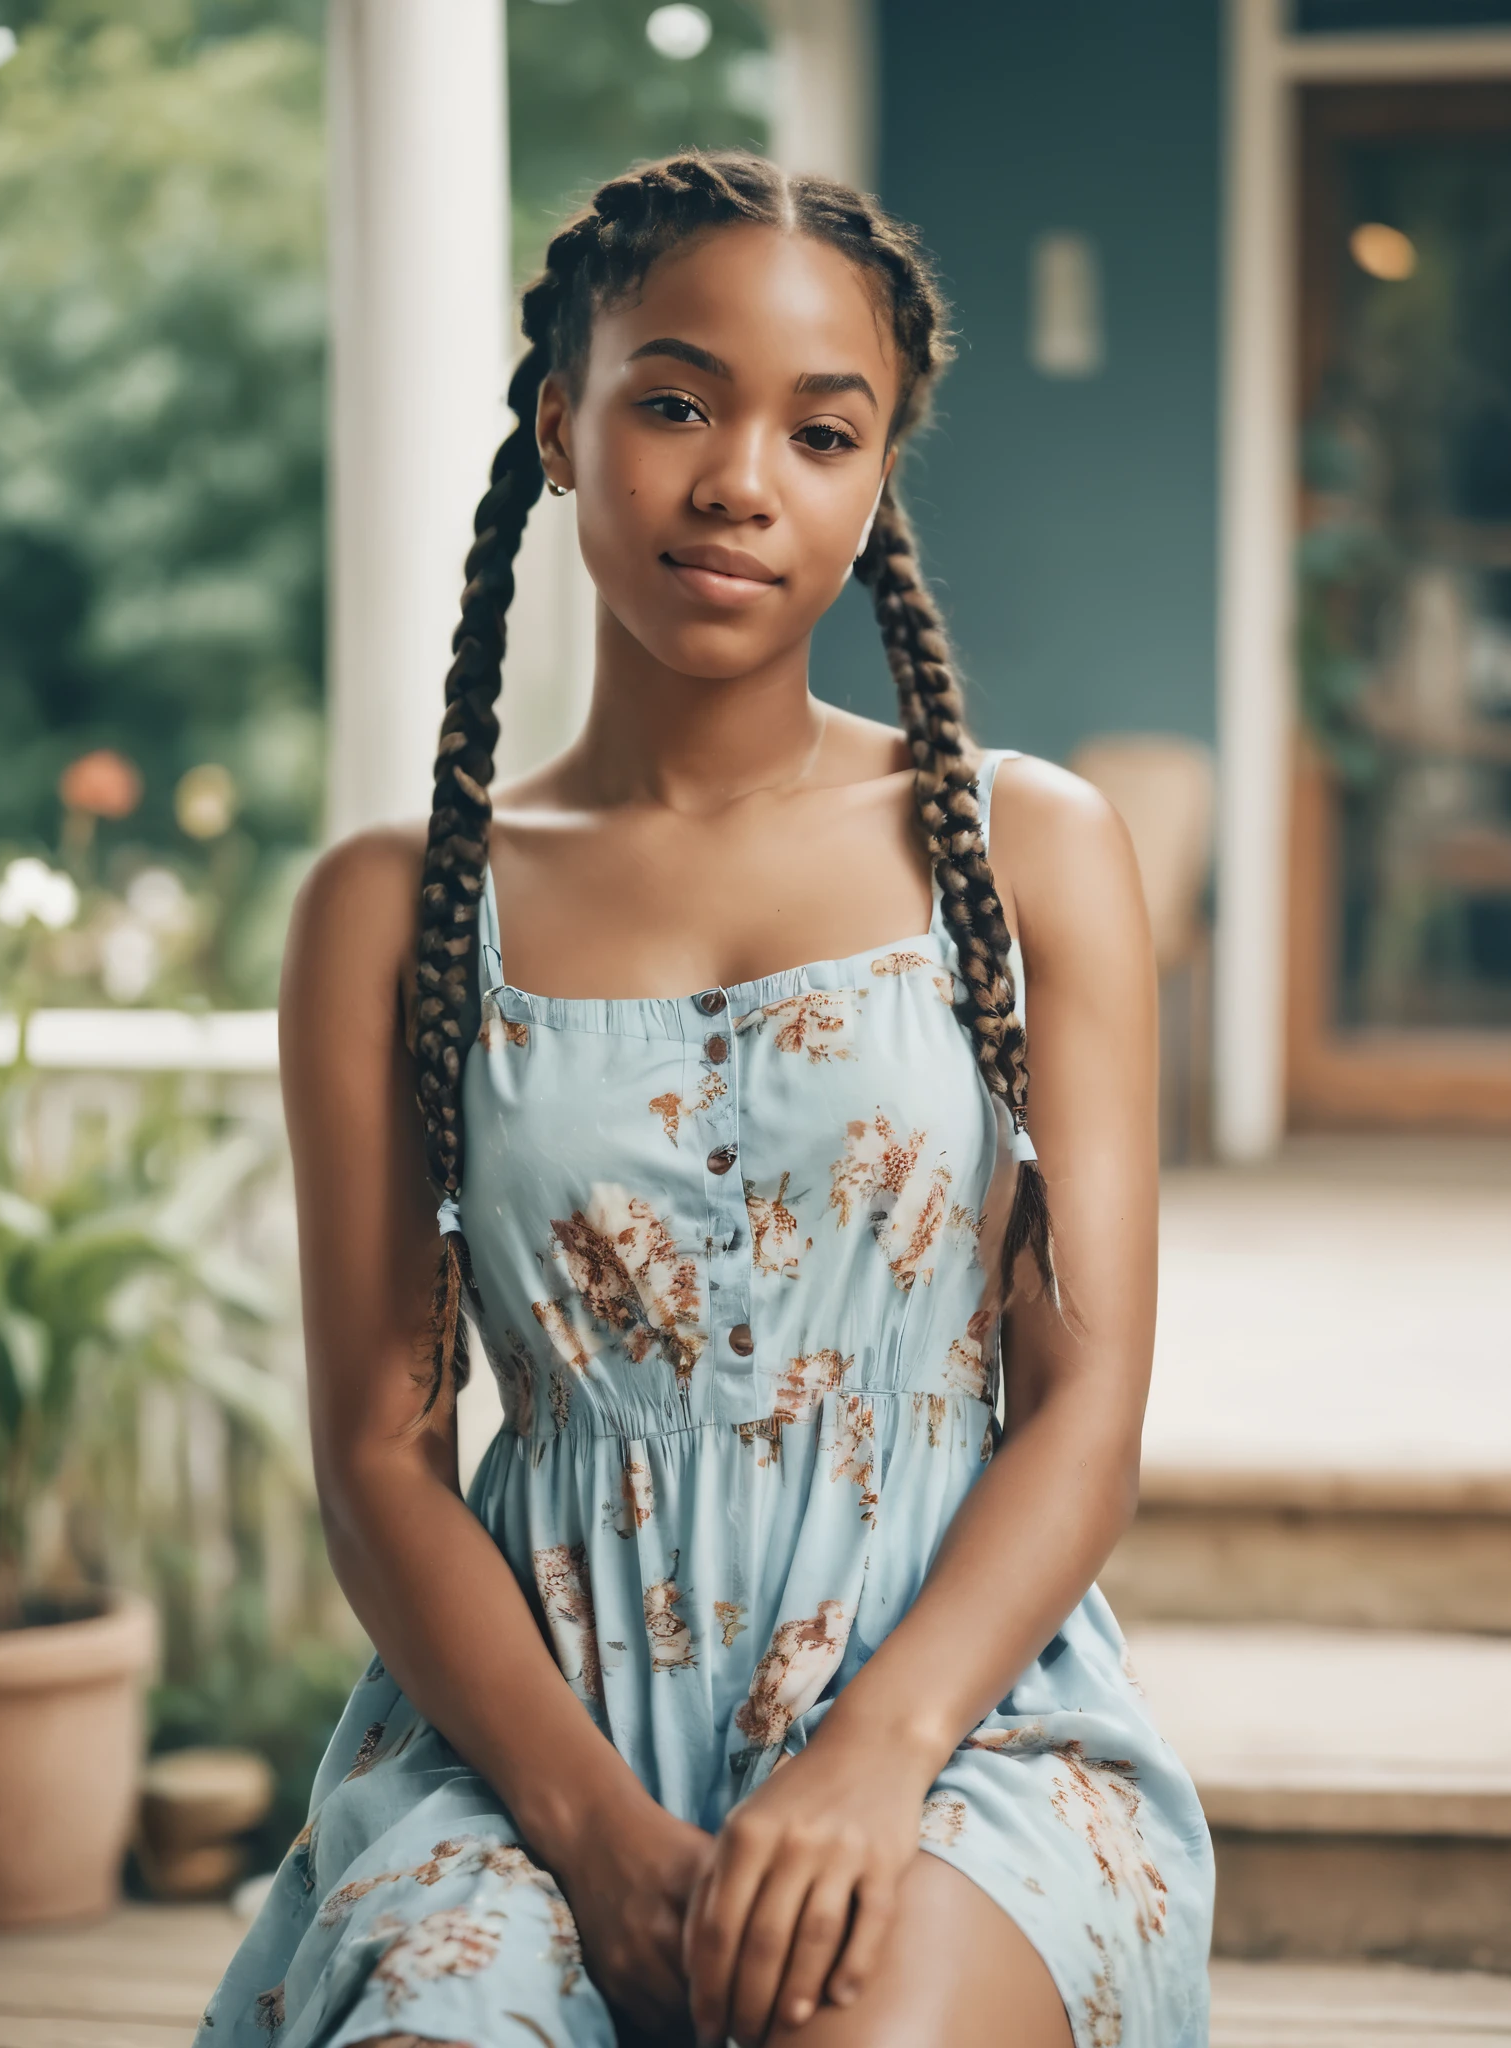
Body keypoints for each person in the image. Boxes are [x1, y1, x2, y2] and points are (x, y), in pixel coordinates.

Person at [201, 150, 1213, 2048]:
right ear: (559, 428)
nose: (742, 477)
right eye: (674, 401)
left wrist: (870, 1763)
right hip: (528, 1741)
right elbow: (379, 1453)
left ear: (873, 480)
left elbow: (1087, 1410)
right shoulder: (394, 909)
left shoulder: (1025, 849)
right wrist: (588, 1829)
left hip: (961, 1721)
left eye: (822, 434)